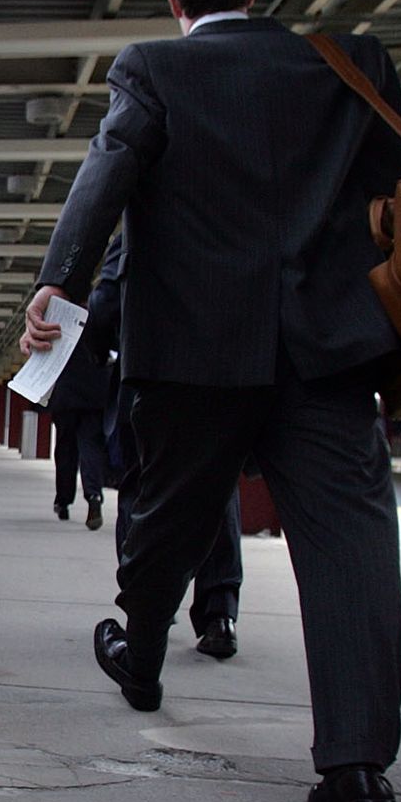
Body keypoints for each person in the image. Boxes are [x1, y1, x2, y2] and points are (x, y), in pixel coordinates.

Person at [21, 0, 401, 802]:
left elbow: (108, 169)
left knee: (167, 519)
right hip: (328, 355)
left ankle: (143, 658)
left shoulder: (155, 69)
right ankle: (356, 768)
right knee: (350, 549)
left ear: (175, 1)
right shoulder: (350, 64)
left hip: (195, 353)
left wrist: (59, 282)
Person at [89, 236, 243, 657]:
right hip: (227, 374)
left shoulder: (152, 208)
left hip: (152, 377)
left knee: (141, 491)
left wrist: (98, 344)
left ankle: (145, 613)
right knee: (219, 490)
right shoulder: (244, 211)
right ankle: (219, 616)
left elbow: (105, 305)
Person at [49, 310, 112, 530]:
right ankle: (94, 496)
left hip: (66, 397)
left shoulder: (61, 320)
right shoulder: (101, 318)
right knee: (91, 446)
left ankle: (63, 501)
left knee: (65, 448)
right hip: (96, 396)